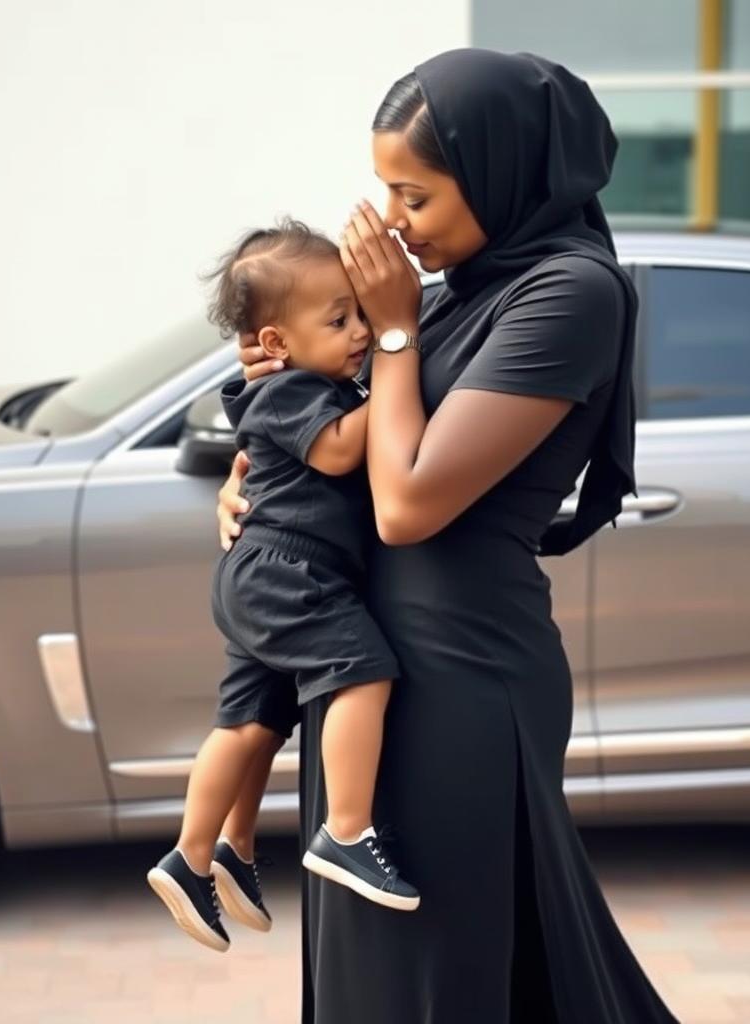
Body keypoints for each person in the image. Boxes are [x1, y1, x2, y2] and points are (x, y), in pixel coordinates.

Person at [216, 48, 683, 1022]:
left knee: (441, 971)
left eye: (414, 196)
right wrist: (248, 476)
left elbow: (408, 501)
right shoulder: (451, 294)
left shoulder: (567, 294)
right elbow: (330, 425)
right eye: (384, 191)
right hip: (366, 672)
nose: (390, 221)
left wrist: (390, 334)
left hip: (464, 679)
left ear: (504, 173)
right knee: (374, 968)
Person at [147, 218, 419, 955]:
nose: (361, 331)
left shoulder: (304, 376)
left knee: (250, 724)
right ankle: (347, 831)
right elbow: (336, 454)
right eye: (340, 320)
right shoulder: (291, 390)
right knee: (364, 672)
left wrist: (368, 363)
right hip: (286, 570)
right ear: (276, 343)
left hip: (267, 572)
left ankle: (203, 854)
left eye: (361, 313)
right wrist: (397, 363)